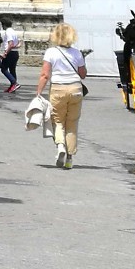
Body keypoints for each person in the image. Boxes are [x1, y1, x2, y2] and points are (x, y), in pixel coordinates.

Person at [36, 22, 87, 169]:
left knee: (57, 121)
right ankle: (70, 159)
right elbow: (83, 74)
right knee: (72, 123)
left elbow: (45, 75)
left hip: (58, 89)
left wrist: (39, 92)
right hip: (76, 89)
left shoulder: (51, 52)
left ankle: (60, 147)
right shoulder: (77, 53)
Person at [0, 20, 22, 94]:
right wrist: (15, 46)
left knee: (3, 69)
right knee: (12, 69)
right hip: (15, 52)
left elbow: (10, 44)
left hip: (10, 53)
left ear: (4, 25)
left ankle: (14, 83)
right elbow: (19, 43)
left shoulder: (8, 32)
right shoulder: (13, 31)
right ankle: (12, 86)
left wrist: (5, 53)